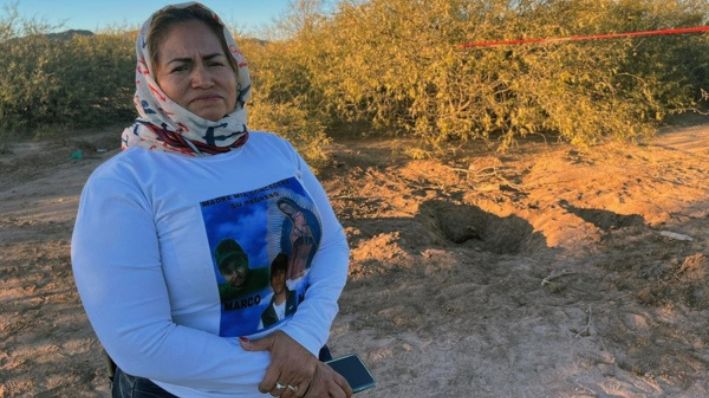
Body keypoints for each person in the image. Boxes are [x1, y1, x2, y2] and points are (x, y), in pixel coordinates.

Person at [71, 3, 352, 397]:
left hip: (303, 363)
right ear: (152, 81)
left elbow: (333, 245)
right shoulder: (124, 184)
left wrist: (305, 339)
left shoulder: (276, 151)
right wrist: (295, 370)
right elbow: (139, 340)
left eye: (214, 62)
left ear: (235, 69)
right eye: (181, 67)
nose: (202, 78)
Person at [277, 198, 319, 280]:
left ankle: (301, 276)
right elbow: (285, 235)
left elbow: (313, 226)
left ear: (291, 203)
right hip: (296, 243)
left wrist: (304, 229)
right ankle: (292, 279)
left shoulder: (305, 213)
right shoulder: (288, 220)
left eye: (286, 206)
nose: (286, 209)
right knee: (293, 260)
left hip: (307, 240)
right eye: (283, 208)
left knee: (302, 259)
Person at [260, 253, 298, 329]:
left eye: (281, 273)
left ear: (287, 276)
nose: (278, 278)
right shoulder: (265, 315)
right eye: (275, 274)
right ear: (270, 280)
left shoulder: (298, 298)